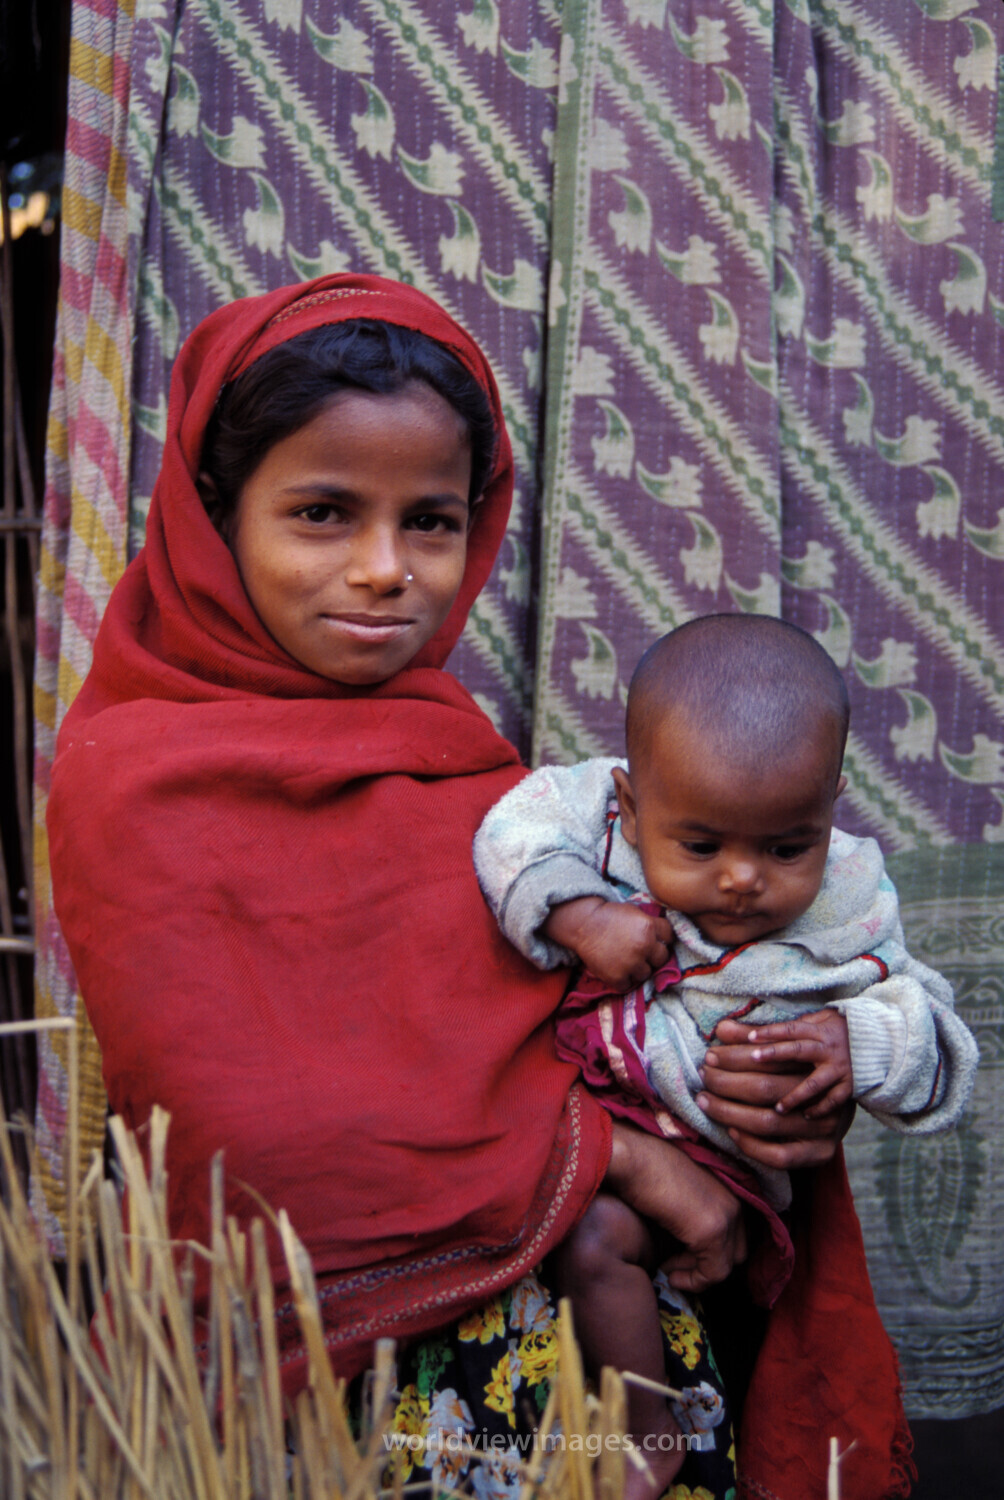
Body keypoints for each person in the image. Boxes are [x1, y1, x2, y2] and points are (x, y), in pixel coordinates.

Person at [46, 276, 903, 1500]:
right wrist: (613, 1159)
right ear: (213, 516)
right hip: (370, 1398)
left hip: (603, 1358)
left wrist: (786, 1076)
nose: (386, 569)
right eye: (324, 513)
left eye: (432, 521)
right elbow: (258, 1122)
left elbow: (615, 1007)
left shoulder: (469, 766)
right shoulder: (134, 778)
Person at [475, 615, 977, 1488]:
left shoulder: (848, 898)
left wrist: (855, 1042)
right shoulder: (595, 818)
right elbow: (507, 834)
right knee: (592, 1240)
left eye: (788, 847)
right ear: (632, 805)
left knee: (620, 1245)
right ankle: (645, 1421)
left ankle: (670, 1387)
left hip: (738, 1160)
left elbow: (935, 1037)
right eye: (701, 846)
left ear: (830, 808)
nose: (743, 878)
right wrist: (578, 915)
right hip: (599, 1133)